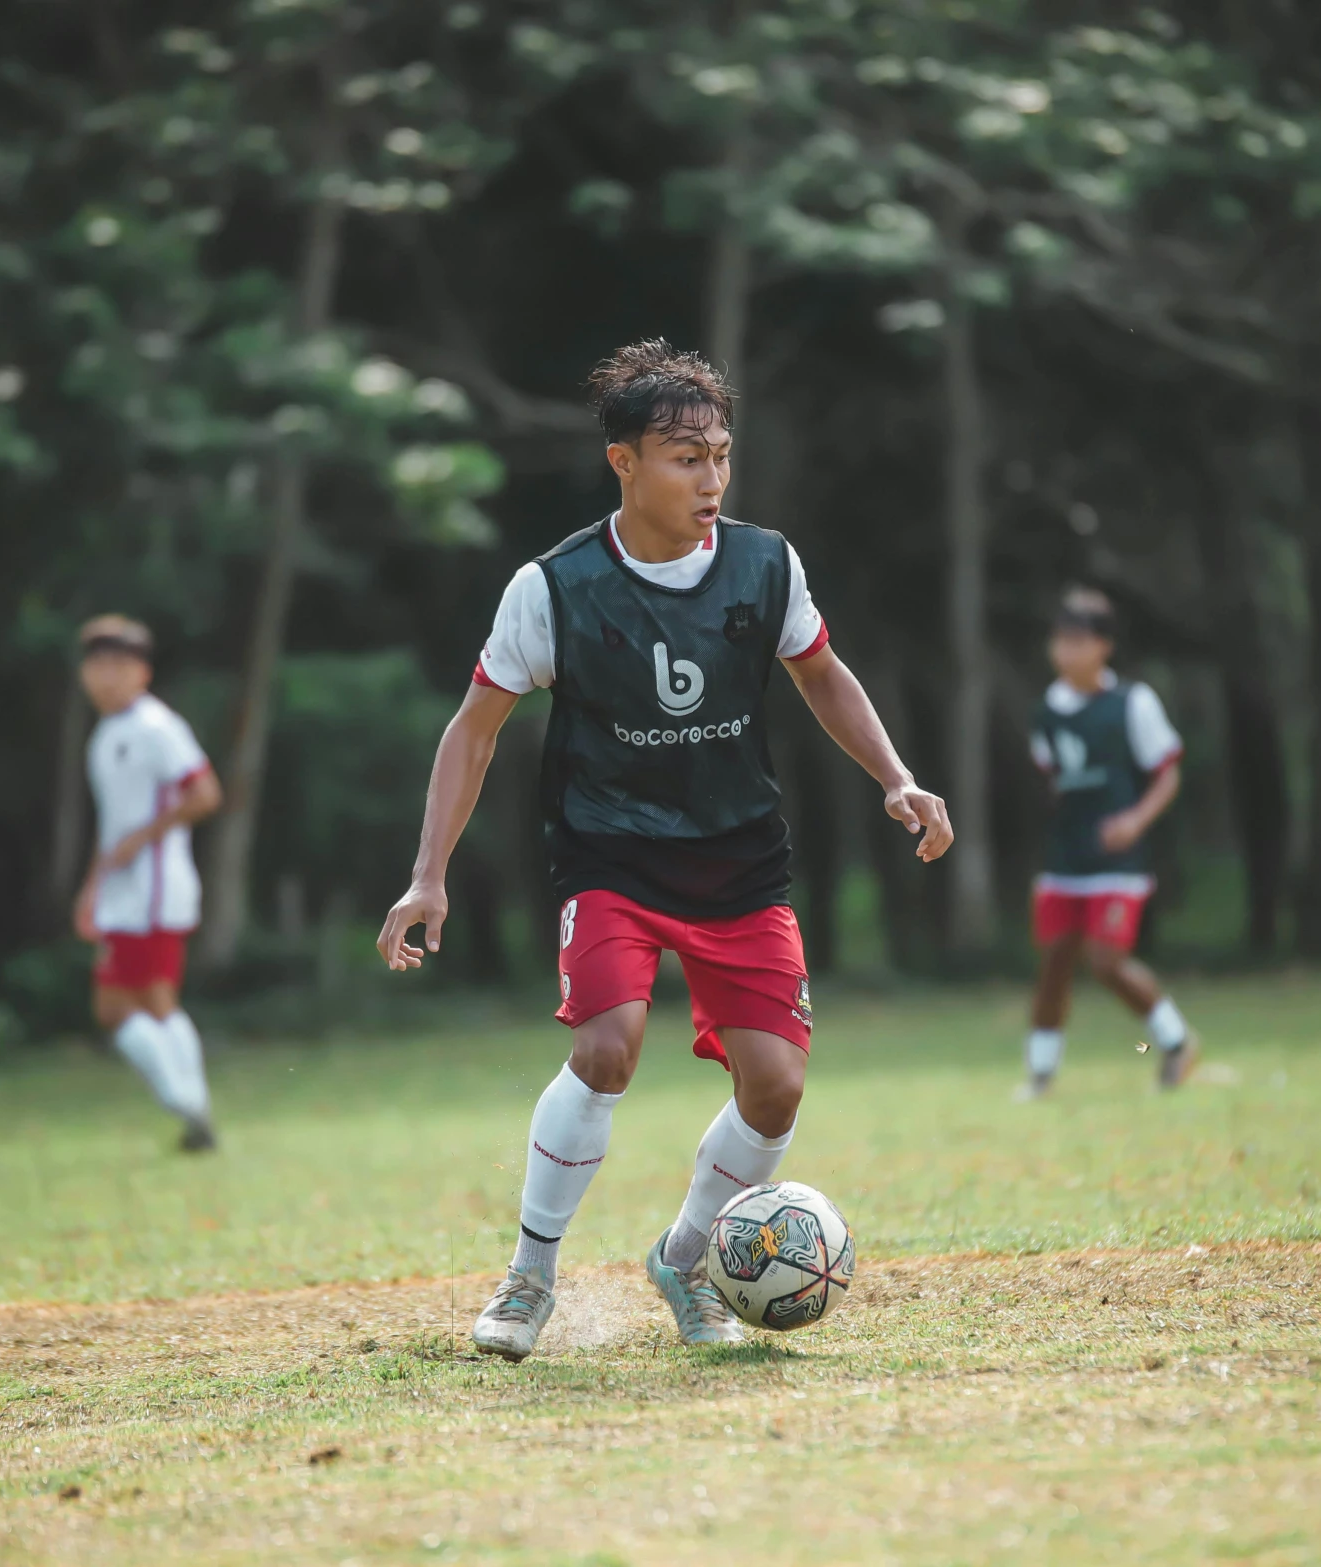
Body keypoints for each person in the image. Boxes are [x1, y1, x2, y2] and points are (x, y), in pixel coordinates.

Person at [375, 340, 953, 1363]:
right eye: (685, 456)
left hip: (737, 861)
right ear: (623, 464)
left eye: (721, 454)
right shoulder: (553, 588)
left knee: (774, 1085)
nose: (711, 478)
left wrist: (895, 776)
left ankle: (685, 1260)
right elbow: (473, 728)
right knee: (606, 1047)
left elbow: (821, 674)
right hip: (612, 857)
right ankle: (529, 1277)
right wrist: (429, 875)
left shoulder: (763, 562)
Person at [1017, 588, 1196, 1097]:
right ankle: (1040, 1076)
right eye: (1060, 641)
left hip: (1118, 861)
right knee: (1053, 964)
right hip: (1063, 860)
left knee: (1105, 961)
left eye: (1078, 640)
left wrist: (1135, 821)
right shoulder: (1046, 713)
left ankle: (1176, 1042)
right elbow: (1052, 780)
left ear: (1105, 646)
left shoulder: (1131, 703)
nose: (1066, 651)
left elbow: (1167, 773)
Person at [73, 615, 225, 1151]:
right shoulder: (105, 734)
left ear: (142, 672)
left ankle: (187, 1105)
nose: (104, 676)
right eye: (95, 665)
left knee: (135, 1006)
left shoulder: (157, 727)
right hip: (123, 891)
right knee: (141, 1005)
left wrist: (145, 838)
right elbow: (111, 826)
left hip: (155, 888)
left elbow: (205, 793)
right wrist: (93, 886)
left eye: (117, 665)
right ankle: (193, 1112)